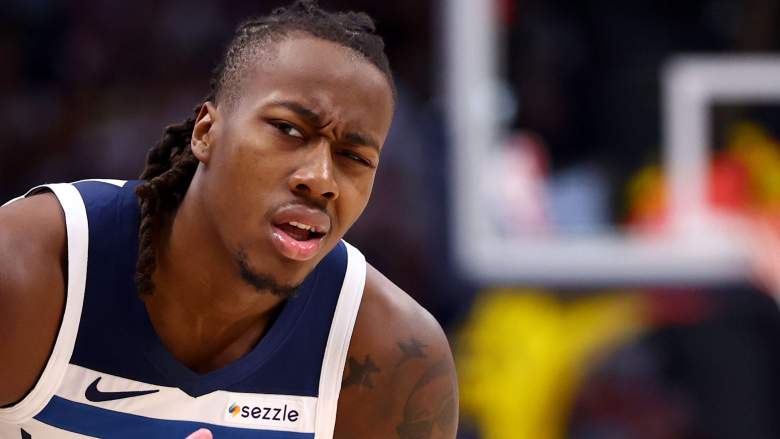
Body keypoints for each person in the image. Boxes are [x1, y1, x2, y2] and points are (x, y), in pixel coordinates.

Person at [0, 1, 458, 438]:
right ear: (206, 132)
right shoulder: (25, 272)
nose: (321, 179)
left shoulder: (393, 356)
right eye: (289, 130)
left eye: (354, 156)